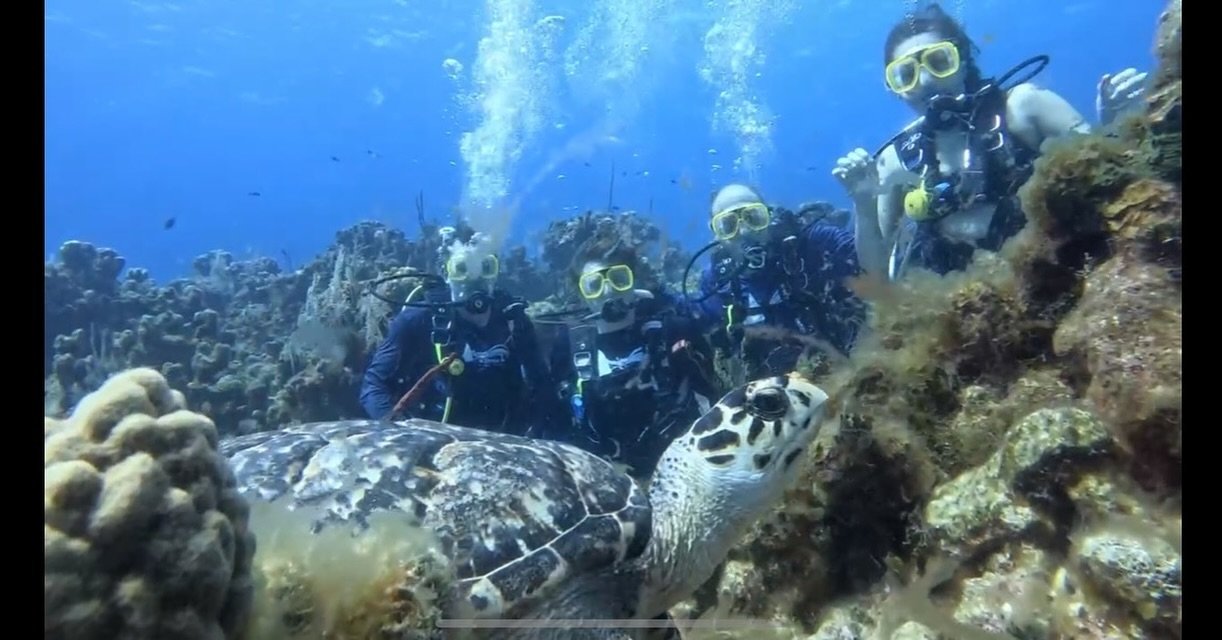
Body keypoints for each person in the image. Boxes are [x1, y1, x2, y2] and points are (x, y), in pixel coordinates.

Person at [833, 3, 1149, 280]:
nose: (926, 81)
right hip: (962, 325)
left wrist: (1109, 124)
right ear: (895, 88)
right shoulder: (894, 161)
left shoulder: (1024, 108)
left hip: (1063, 277)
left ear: (963, 61)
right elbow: (876, 275)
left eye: (939, 62)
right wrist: (862, 203)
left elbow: (1109, 179)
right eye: (906, 74)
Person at [545, 243, 721, 479]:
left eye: (619, 278)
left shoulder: (674, 331)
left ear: (635, 283)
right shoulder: (566, 347)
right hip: (603, 482)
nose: (608, 291)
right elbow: (555, 422)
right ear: (582, 296)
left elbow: (714, 395)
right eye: (594, 285)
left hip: (686, 471)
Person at [359, 229, 552, 436]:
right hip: (431, 441)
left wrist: (535, 433)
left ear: (496, 272)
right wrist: (402, 435)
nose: (474, 279)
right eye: (462, 268)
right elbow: (374, 385)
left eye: (486, 267)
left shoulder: (514, 320)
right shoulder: (417, 320)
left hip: (504, 438)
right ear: (446, 272)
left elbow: (542, 386)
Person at [687, 183, 866, 379]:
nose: (745, 232)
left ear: (769, 216)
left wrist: (865, 206)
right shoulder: (717, 283)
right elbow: (690, 317)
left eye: (753, 218)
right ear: (716, 234)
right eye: (729, 226)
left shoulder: (811, 244)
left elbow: (870, 260)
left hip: (845, 372)